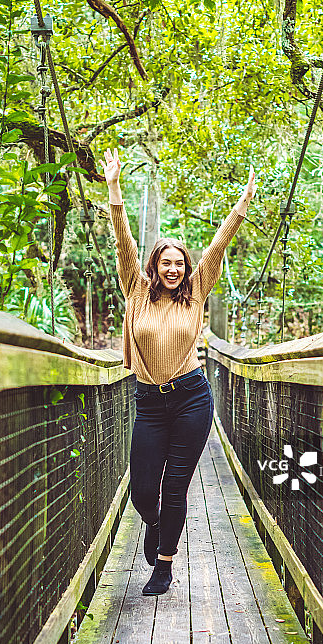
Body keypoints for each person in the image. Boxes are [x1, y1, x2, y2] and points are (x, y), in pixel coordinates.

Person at [100, 147, 256, 595]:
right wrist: (114, 189)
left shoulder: (197, 290)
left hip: (191, 397)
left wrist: (241, 205)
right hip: (149, 402)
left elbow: (219, 243)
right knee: (144, 491)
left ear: (188, 269)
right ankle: (154, 525)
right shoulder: (136, 287)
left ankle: (164, 565)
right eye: (166, 262)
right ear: (154, 266)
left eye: (179, 263)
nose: (173, 268)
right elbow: (122, 239)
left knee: (177, 486)